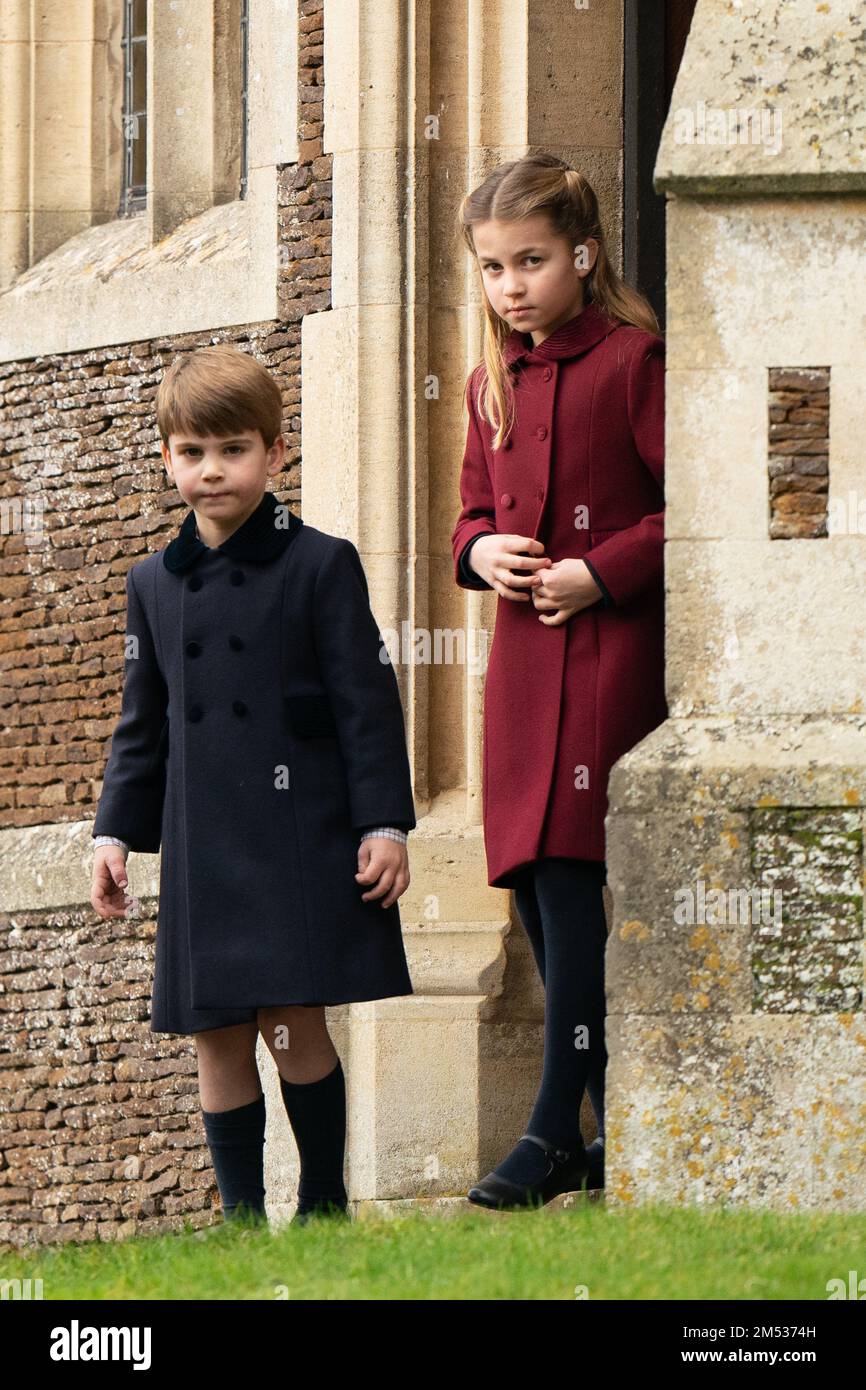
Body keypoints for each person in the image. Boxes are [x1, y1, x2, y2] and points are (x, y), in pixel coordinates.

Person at [90, 345, 416, 1226]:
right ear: (168, 459)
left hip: (298, 837)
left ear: (275, 454)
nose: (211, 471)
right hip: (202, 843)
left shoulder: (321, 564)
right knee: (217, 1036)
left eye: (232, 450)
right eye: (191, 453)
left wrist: (385, 823)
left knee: (294, 1029)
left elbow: (368, 708)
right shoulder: (152, 584)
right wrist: (112, 835)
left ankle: (323, 1204)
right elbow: (140, 722)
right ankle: (239, 1225)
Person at [451, 153, 667, 1209]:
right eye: (492, 267)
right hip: (523, 670)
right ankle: (610, 1126)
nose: (510, 286)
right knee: (538, 887)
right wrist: (479, 552)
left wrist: (601, 569)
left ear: (580, 254)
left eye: (529, 261)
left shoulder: (635, 362)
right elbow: (468, 515)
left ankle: (546, 1135)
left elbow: (692, 509)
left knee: (571, 880)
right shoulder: (490, 383)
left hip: (607, 653)